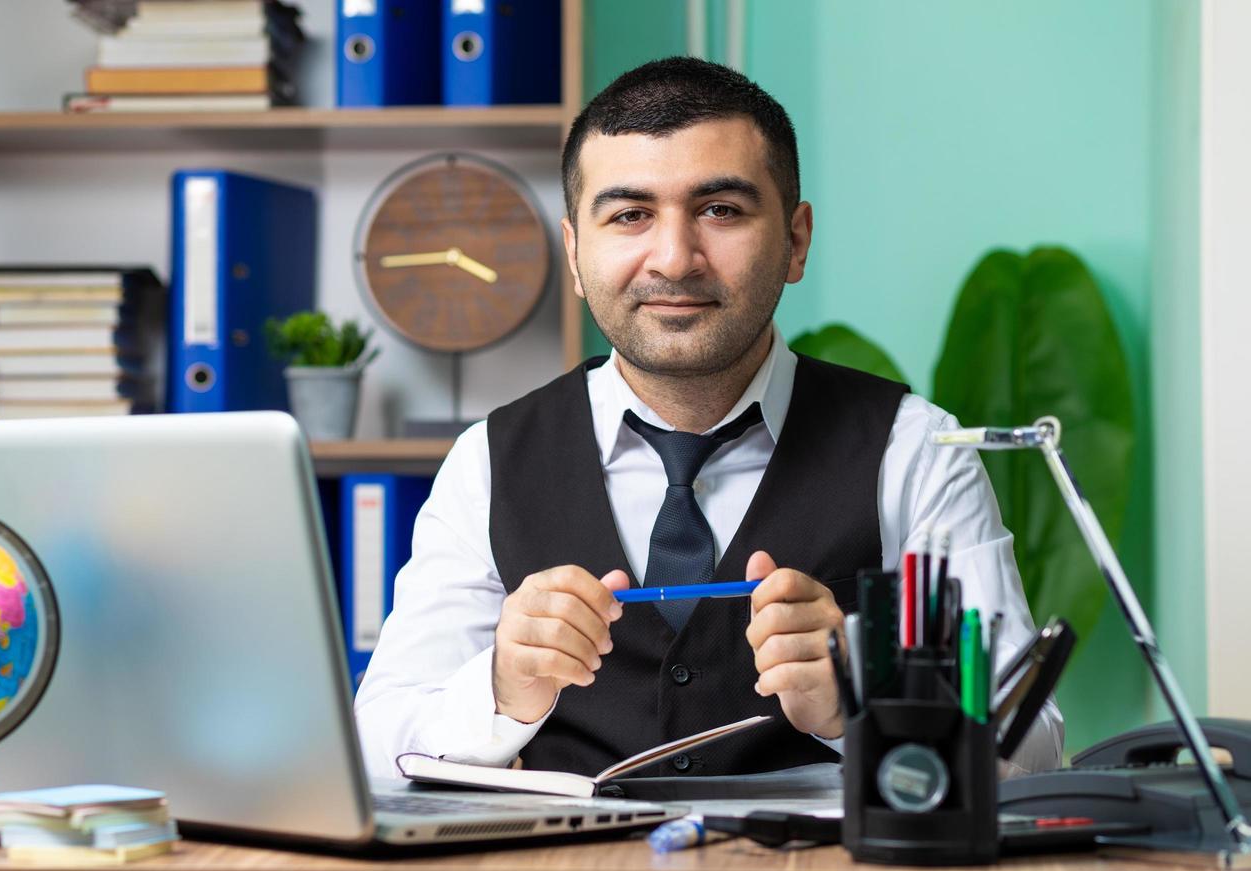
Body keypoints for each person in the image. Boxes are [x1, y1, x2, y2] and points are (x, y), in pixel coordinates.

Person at [354, 56, 1062, 780]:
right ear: (574, 253)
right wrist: (502, 689)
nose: (674, 258)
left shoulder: (915, 450)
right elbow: (376, 749)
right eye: (630, 215)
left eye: (720, 210)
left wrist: (866, 698)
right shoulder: (488, 462)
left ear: (795, 241)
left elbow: (1033, 751)